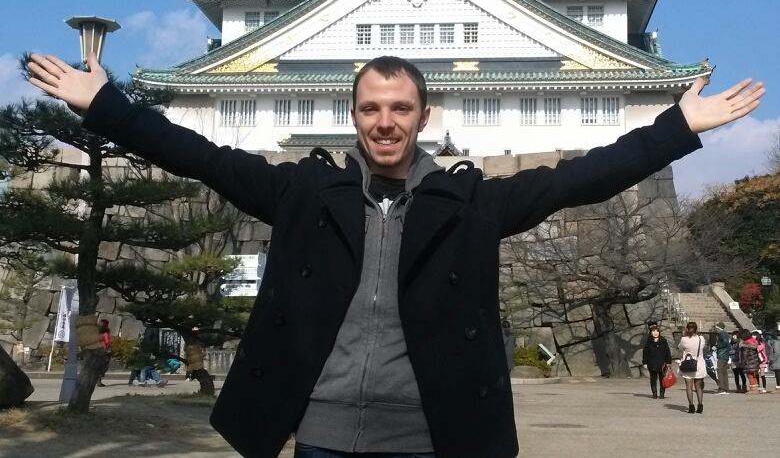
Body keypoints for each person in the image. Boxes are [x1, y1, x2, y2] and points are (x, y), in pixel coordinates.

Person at [26, 51, 764, 458]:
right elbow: (202, 157)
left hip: (425, 435)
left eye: (401, 108)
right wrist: (109, 108)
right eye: (372, 109)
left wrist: (676, 127)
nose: (386, 123)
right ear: (354, 115)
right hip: (322, 433)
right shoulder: (304, 194)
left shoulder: (471, 202)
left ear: (422, 116)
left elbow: (581, 178)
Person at [678, 321, 707, 413]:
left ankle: (691, 406)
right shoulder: (701, 339)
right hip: (699, 364)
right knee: (699, 387)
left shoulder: (684, 339)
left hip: (688, 365)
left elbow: (680, 347)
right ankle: (700, 405)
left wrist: (684, 335)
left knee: (689, 387)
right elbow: (703, 347)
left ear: (687, 329)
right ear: (696, 329)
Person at [642, 324, 672, 399]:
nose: (655, 333)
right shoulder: (648, 342)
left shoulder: (663, 341)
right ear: (651, 333)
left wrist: (668, 362)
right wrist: (645, 363)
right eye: (653, 331)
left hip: (662, 363)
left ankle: (662, 394)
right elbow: (645, 353)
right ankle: (654, 393)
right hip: (652, 363)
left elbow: (667, 352)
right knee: (653, 379)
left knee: (662, 379)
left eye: (657, 331)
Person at [739, 329, 761, 394]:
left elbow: (744, 355)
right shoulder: (754, 341)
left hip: (748, 362)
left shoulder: (745, 344)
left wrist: (742, 363)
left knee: (750, 375)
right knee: (754, 375)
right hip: (755, 361)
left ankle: (753, 389)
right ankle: (756, 388)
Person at [714, 321, 731, 394]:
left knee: (720, 370)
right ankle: (726, 388)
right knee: (724, 371)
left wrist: (716, 346)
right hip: (725, 354)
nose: (715, 330)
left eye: (716, 328)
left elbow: (724, 343)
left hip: (722, 354)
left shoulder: (722, 333)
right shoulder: (726, 333)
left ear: (718, 328)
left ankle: (722, 388)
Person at [96, 318, 112, 387]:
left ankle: (97, 380)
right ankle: (98, 381)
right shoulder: (106, 334)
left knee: (97, 366)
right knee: (103, 367)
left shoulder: (96, 332)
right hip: (104, 351)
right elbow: (107, 342)